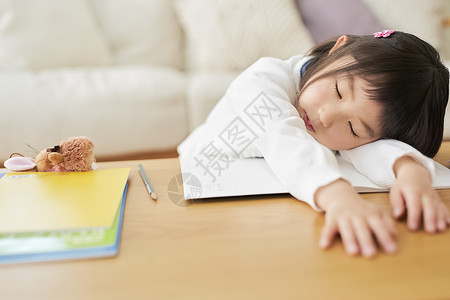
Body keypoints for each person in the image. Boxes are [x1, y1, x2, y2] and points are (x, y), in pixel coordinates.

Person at [178, 31, 450, 257]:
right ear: (337, 49)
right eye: (339, 91)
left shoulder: (349, 127)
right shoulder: (264, 77)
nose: (326, 116)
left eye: (353, 128)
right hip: (198, 188)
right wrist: (337, 195)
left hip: (260, 206)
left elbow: (370, 148)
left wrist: (409, 170)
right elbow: (280, 133)